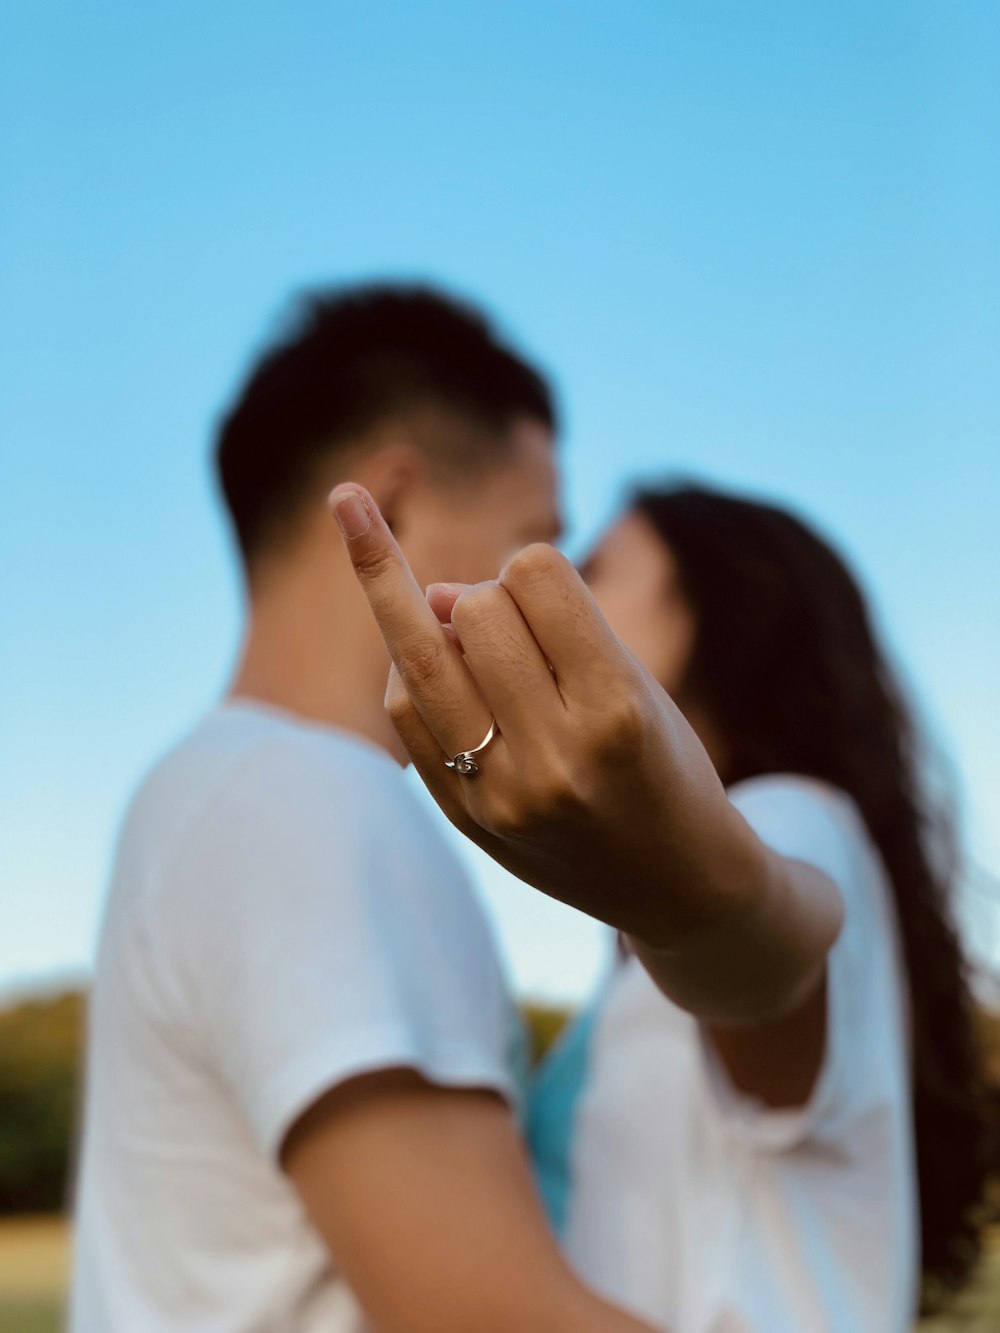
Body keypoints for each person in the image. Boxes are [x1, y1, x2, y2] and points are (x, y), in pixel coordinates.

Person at [70, 285, 660, 1333]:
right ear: (391, 505)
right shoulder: (311, 799)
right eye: (535, 544)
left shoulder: (206, 789)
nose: (556, 601)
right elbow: (490, 1318)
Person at [330, 480, 998, 1332]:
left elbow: (768, 941)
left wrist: (692, 902)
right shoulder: (625, 961)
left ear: (732, 616)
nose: (537, 597)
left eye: (595, 572)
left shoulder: (795, 813)